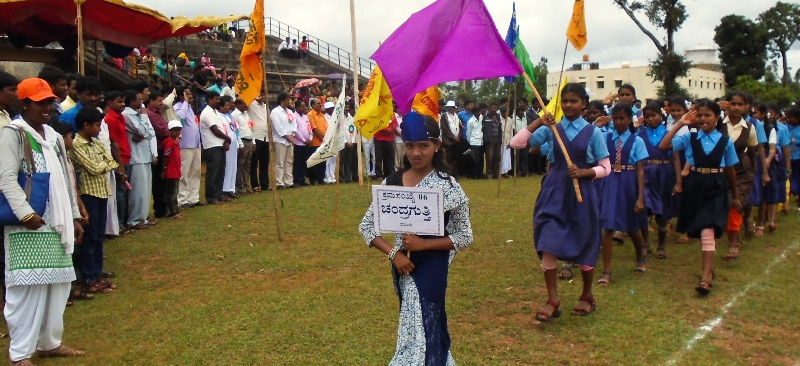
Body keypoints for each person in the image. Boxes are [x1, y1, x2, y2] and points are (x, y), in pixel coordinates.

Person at [359, 112, 473, 365]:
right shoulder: (393, 182)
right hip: (405, 266)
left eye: (423, 146)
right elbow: (367, 227)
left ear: (437, 146)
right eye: (410, 146)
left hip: (433, 265)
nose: (416, 153)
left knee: (425, 322)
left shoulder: (447, 186)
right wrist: (394, 254)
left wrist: (425, 244)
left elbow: (464, 235)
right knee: (414, 324)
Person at [0, 78, 86, 365]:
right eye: (40, 103)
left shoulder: (53, 136)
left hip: (56, 222)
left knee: (57, 286)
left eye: (49, 101)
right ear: (24, 104)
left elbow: (65, 178)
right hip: (29, 224)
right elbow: (6, 179)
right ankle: (20, 354)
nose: (47, 107)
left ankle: (50, 343)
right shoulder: (13, 134)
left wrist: (74, 215)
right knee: (26, 290)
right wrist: (25, 213)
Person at [509, 83, 610, 321]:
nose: (568, 105)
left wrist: (585, 172)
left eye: (574, 101)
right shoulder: (552, 128)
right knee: (548, 239)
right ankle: (552, 300)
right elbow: (517, 143)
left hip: (582, 193)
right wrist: (539, 122)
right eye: (565, 101)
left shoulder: (594, 133)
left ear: (584, 104)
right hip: (554, 191)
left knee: (584, 240)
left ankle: (587, 295)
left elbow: (606, 168)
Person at [659, 100, 739, 295]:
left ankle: (705, 278)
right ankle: (709, 269)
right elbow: (664, 145)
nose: (703, 119)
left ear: (717, 118)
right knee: (701, 229)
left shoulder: (725, 141)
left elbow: (730, 170)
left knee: (707, 230)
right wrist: (681, 123)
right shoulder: (690, 137)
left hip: (716, 186)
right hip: (695, 185)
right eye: (700, 115)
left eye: (707, 115)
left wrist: (735, 195)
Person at [597, 103, 649, 287]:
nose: (618, 122)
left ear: (629, 120)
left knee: (632, 224)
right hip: (610, 180)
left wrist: (640, 197)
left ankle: (640, 255)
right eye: (615, 118)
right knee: (608, 225)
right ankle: (607, 270)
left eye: (622, 118)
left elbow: (641, 170)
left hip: (629, 181)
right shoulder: (605, 137)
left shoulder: (637, 140)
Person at [70, 107, 119, 293]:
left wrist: (104, 164)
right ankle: (88, 276)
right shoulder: (77, 145)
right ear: (86, 125)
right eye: (97, 125)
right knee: (90, 236)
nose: (99, 129)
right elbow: (94, 168)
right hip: (88, 194)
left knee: (99, 236)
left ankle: (97, 273)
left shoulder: (95, 142)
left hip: (102, 192)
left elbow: (111, 161)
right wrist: (105, 163)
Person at [720, 92, 759, 261]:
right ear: (727, 104)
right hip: (721, 170)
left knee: (734, 204)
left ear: (745, 107)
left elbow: (752, 150)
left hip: (742, 172)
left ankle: (733, 243)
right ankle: (735, 234)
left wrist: (753, 170)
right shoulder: (718, 124)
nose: (736, 107)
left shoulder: (749, 128)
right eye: (733, 103)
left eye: (740, 104)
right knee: (722, 205)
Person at [639, 103, 675, 259]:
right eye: (647, 116)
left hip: (664, 174)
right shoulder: (641, 134)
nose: (651, 119)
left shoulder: (668, 134)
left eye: (654, 115)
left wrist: (678, 179)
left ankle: (662, 245)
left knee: (663, 211)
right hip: (646, 173)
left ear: (661, 116)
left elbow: (675, 157)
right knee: (644, 208)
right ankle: (645, 242)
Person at [122, 91, 156, 230]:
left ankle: (143, 217)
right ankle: (134, 220)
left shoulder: (139, 114)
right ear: (131, 100)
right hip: (136, 157)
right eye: (139, 99)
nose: (142, 102)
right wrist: (144, 116)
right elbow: (142, 131)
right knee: (137, 191)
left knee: (146, 190)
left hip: (145, 155)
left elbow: (150, 132)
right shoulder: (127, 115)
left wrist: (143, 134)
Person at [666, 97, 692, 243]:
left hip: (687, 160)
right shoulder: (667, 123)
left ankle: (685, 229)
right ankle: (669, 222)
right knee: (671, 193)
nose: (675, 113)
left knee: (686, 196)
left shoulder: (691, 126)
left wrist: (686, 167)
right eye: (673, 110)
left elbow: (692, 150)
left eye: (679, 110)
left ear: (685, 110)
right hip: (671, 160)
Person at [174, 87, 203, 208]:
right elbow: (180, 116)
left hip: (195, 144)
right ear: (182, 96)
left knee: (196, 171)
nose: (190, 96)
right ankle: (182, 199)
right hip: (185, 145)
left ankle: (193, 198)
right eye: (188, 94)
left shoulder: (190, 108)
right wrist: (185, 103)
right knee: (184, 172)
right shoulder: (178, 107)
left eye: (190, 94)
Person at [200, 92, 230, 204]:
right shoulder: (207, 113)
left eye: (218, 99)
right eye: (216, 99)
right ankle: (211, 196)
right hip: (212, 146)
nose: (218, 101)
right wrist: (227, 138)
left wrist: (225, 140)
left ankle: (219, 194)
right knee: (213, 172)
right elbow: (215, 130)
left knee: (220, 172)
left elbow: (221, 128)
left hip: (220, 144)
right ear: (209, 99)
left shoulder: (216, 112)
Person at [145, 91, 170, 218]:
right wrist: (171, 133)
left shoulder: (157, 113)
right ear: (152, 101)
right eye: (159, 101)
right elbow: (161, 131)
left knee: (162, 180)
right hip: (158, 149)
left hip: (162, 147)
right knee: (159, 180)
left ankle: (163, 206)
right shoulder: (150, 114)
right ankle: (160, 208)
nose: (162, 103)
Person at [270, 92, 296, 189]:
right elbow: (277, 126)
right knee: (280, 162)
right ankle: (279, 182)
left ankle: (288, 181)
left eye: (289, 100)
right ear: (282, 100)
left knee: (289, 161)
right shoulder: (275, 112)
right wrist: (287, 136)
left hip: (290, 140)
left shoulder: (290, 112)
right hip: (280, 140)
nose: (289, 102)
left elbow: (294, 123)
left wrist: (292, 134)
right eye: (287, 100)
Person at [219, 96, 241, 199]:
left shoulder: (230, 116)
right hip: (226, 144)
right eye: (227, 105)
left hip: (234, 143)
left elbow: (235, 130)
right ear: (221, 106)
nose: (229, 107)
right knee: (227, 166)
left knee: (233, 166)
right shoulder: (219, 116)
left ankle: (231, 188)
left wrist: (239, 143)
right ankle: (224, 188)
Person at [232, 98, 254, 195]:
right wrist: (240, 144)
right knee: (240, 165)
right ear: (237, 104)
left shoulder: (246, 114)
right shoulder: (235, 115)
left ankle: (246, 185)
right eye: (243, 103)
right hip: (242, 140)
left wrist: (253, 141)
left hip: (249, 140)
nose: (245, 105)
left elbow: (251, 127)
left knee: (247, 165)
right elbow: (236, 131)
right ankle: (240, 186)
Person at [249, 93, 271, 191]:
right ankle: (255, 185)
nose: (262, 97)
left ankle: (265, 183)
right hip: (256, 135)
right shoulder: (251, 104)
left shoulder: (265, 106)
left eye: (263, 95)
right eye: (260, 95)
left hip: (265, 136)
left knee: (265, 161)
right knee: (254, 162)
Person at [307, 98, 328, 185]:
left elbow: (326, 127)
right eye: (318, 103)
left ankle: (321, 178)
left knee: (322, 161)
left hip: (323, 142)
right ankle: (313, 179)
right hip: (315, 142)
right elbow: (314, 129)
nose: (320, 105)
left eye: (320, 103)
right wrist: (323, 139)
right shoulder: (310, 114)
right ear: (312, 105)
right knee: (314, 161)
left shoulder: (322, 115)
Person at [373, 110, 397, 181]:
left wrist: (391, 129)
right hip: (379, 137)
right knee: (379, 157)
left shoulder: (391, 113)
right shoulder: (377, 112)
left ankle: (389, 173)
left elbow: (395, 122)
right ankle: (379, 174)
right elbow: (377, 123)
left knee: (390, 157)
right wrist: (386, 130)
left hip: (389, 138)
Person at [292, 100, 311, 186]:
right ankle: (297, 180)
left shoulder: (306, 117)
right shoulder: (293, 116)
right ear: (297, 107)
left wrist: (310, 138)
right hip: (298, 143)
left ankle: (302, 179)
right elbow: (295, 130)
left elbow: (309, 128)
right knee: (297, 162)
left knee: (304, 162)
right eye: (302, 106)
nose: (304, 108)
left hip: (306, 143)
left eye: (304, 106)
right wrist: (303, 140)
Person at [482, 102, 503, 179]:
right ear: (490, 108)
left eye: (495, 108)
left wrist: (500, 138)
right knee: (489, 158)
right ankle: (489, 174)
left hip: (497, 140)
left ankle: (496, 174)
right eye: (493, 108)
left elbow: (500, 128)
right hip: (489, 141)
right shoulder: (486, 117)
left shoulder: (498, 116)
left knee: (497, 158)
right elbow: (483, 128)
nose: (494, 109)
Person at [441, 100, 462, 172]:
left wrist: (459, 136)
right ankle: (448, 171)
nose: (450, 108)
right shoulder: (444, 115)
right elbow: (444, 128)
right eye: (448, 107)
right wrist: (452, 137)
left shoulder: (457, 115)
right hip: (449, 140)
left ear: (454, 108)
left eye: (451, 107)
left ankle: (454, 171)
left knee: (456, 156)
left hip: (457, 140)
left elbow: (460, 126)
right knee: (449, 157)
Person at [340, 102, 358, 183]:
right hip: (342, 143)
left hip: (350, 142)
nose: (347, 108)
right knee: (342, 161)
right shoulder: (340, 118)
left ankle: (348, 176)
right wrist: (346, 142)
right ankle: (341, 177)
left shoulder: (351, 118)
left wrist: (352, 141)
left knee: (349, 160)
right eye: (345, 107)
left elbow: (353, 130)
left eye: (348, 107)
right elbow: (340, 132)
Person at [466, 104, 485, 179]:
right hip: (474, 142)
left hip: (481, 141)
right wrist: (470, 143)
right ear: (474, 112)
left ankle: (480, 173)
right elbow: (468, 133)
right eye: (478, 112)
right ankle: (474, 174)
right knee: (475, 160)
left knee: (481, 159)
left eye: (479, 111)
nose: (479, 113)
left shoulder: (481, 118)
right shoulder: (471, 121)